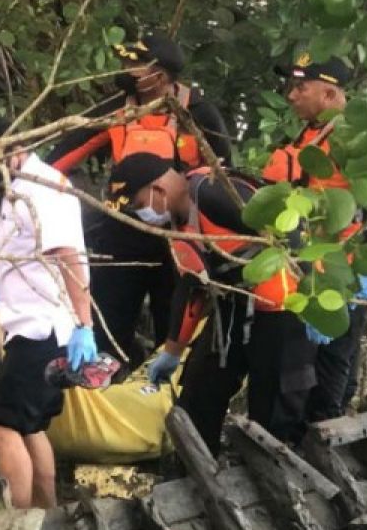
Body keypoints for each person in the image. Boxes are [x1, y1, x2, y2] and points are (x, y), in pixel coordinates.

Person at [108, 153, 320, 455]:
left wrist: (314, 300)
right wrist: (172, 349)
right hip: (232, 305)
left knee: (275, 408)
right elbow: (191, 286)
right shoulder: (178, 225)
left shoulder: (211, 192)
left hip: (281, 306)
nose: (142, 214)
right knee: (199, 392)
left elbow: (290, 234)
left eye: (140, 205)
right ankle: (197, 471)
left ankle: (277, 478)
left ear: (158, 189)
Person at [46, 33, 233, 372]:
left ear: (159, 77)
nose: (125, 69)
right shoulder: (116, 108)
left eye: (134, 65)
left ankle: (167, 402)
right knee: (109, 321)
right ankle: (100, 394)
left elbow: (223, 178)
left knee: (173, 322)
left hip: (177, 237)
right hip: (122, 229)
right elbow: (60, 159)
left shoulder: (199, 113)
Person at [0, 120, 98, 509]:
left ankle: (18, 529)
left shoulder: (40, 188)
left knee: (2, 424)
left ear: (13, 150)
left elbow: (68, 256)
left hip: (43, 329)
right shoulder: (21, 188)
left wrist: (84, 324)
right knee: (31, 427)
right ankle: (48, 519)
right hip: (34, 326)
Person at [262, 54, 367, 421]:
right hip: (310, 268)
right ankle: (313, 433)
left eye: (300, 87)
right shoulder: (306, 134)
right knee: (313, 368)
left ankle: (326, 435)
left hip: (343, 272)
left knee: (335, 366)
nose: (291, 96)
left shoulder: (355, 140)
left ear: (328, 95)